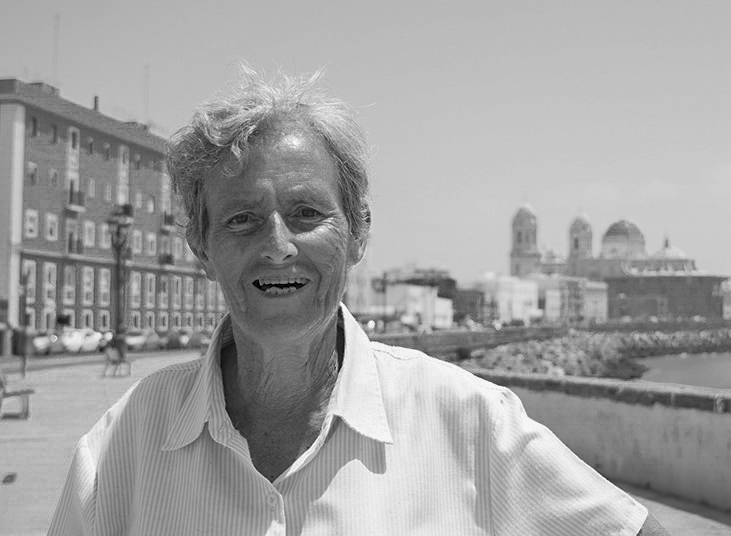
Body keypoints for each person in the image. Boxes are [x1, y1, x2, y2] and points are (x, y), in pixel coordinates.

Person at [48, 67, 669, 535]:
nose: (278, 246)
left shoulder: (469, 422)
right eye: (241, 219)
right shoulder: (124, 446)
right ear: (200, 247)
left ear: (358, 233)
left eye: (306, 213)